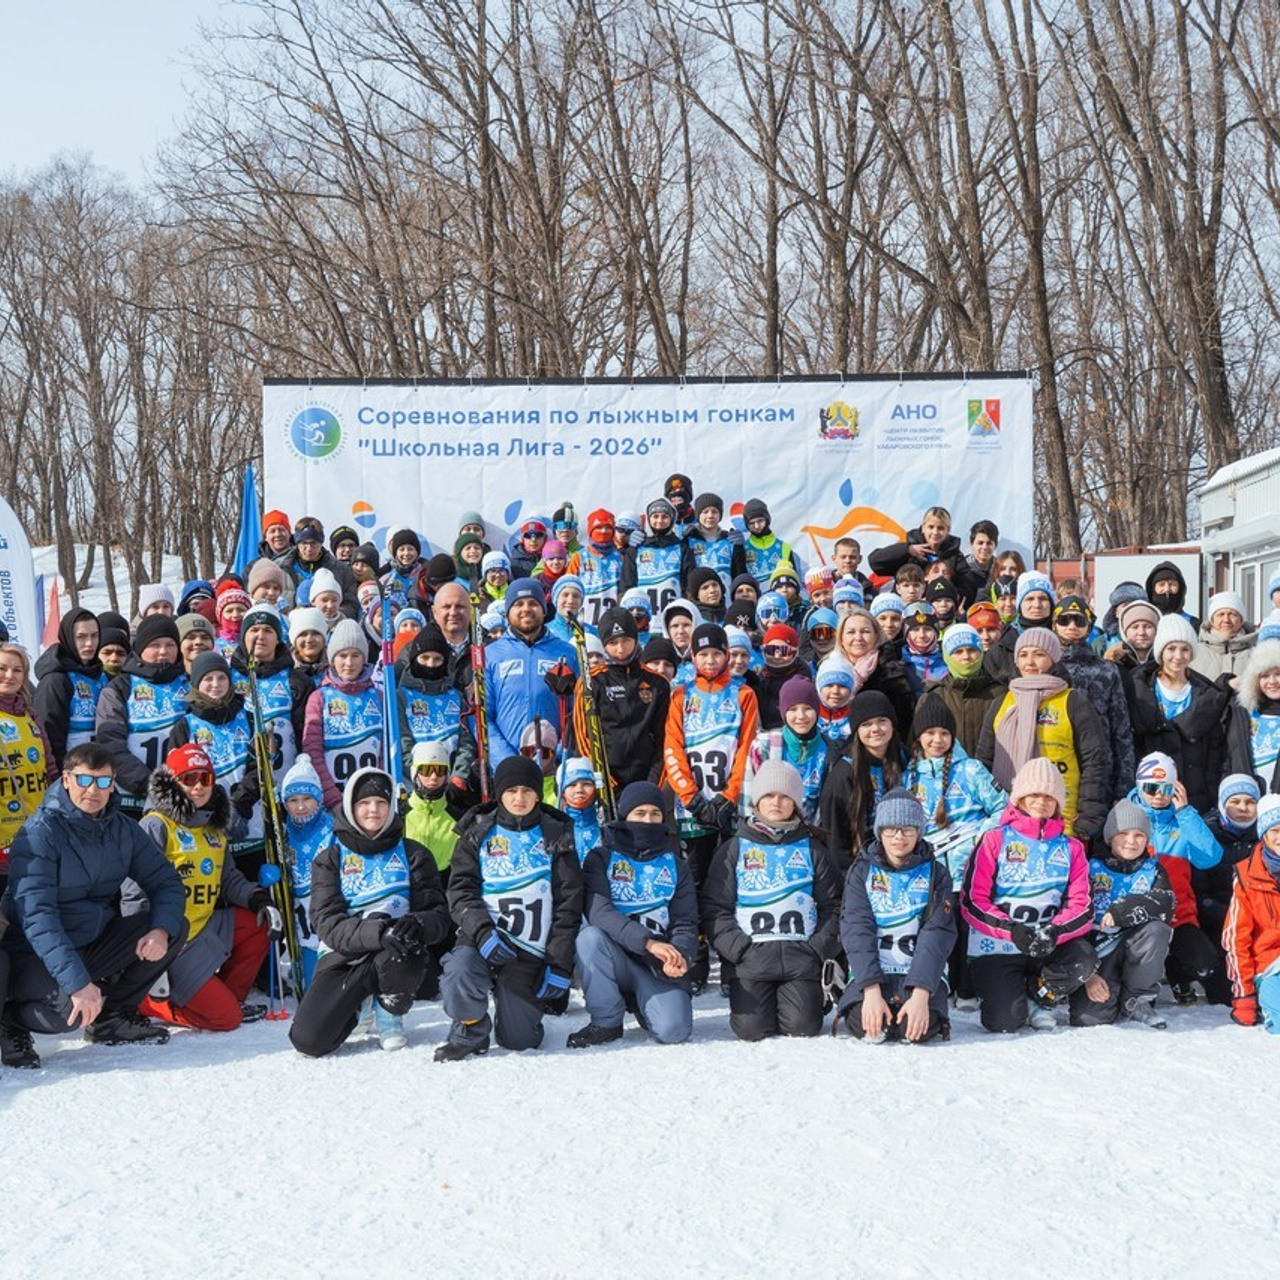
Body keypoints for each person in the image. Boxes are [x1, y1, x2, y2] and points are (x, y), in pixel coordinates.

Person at [0, 743, 186, 1068]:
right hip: (32, 954)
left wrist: (159, 929)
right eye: (85, 780)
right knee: (68, 1016)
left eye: (102, 782)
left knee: (172, 927)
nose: (93, 791)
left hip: (90, 940)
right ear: (67, 780)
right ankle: (8, 1021)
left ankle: (112, 1018)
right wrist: (78, 984)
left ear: (113, 784)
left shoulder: (123, 830)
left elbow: (166, 881)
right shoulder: (39, 835)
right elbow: (37, 918)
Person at [290, 767, 450, 1055]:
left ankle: (389, 1013)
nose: (373, 810)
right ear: (351, 807)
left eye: (381, 802)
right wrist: (378, 932)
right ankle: (359, 1005)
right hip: (345, 955)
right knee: (308, 1040)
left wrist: (417, 924)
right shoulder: (330, 858)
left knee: (401, 944)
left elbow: (438, 916)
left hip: (397, 954)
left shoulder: (413, 854)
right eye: (364, 803)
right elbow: (327, 922)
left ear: (391, 807)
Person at [435, 755, 582, 1061]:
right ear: (499, 793)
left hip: (530, 948)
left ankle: (522, 1012)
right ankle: (471, 1029)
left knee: (519, 1041)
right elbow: (461, 891)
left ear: (538, 794)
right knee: (458, 972)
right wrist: (482, 931)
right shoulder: (478, 832)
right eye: (511, 790)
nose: (519, 798)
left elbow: (568, 906)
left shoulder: (555, 835)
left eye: (527, 791)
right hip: (483, 940)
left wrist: (559, 964)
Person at [131, 744, 276, 1031]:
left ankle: (227, 996)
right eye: (188, 779)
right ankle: (149, 1003)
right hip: (172, 940)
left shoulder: (213, 826)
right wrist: (147, 943)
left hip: (204, 926)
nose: (198, 787)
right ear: (172, 782)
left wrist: (257, 898)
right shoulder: (156, 825)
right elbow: (134, 891)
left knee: (255, 923)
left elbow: (229, 879)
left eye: (205, 779)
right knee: (226, 1020)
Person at [703, 760, 841, 1041]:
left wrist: (817, 949)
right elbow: (715, 908)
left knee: (803, 1027)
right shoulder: (734, 848)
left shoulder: (813, 849)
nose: (776, 803)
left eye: (784, 796)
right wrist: (739, 950)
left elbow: (835, 905)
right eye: (768, 795)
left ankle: (808, 997)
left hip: (801, 957)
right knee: (750, 1030)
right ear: (756, 801)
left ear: (795, 804)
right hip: (752, 957)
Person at [961, 758, 1101, 1032]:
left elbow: (1082, 906)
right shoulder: (994, 839)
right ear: (1019, 798)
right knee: (1003, 1022)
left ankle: (1040, 997)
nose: (1041, 801)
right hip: (1000, 944)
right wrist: (1010, 930)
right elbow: (972, 901)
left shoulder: (1071, 847)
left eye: (1049, 796)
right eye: (1034, 794)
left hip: (1047, 942)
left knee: (1084, 959)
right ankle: (1013, 996)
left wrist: (1054, 932)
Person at [662, 623, 759, 986]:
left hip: (728, 803)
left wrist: (728, 797)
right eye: (703, 654)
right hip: (693, 806)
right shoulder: (681, 695)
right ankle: (697, 951)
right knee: (696, 878)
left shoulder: (743, 694)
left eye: (717, 653)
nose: (710, 659)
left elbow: (748, 748)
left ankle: (733, 956)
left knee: (733, 880)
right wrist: (691, 797)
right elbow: (673, 748)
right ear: (693, 656)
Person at [569, 781, 697, 1048]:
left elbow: (685, 921)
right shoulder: (601, 857)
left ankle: (643, 1002)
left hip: (655, 964)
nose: (648, 820)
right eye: (639, 813)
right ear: (625, 816)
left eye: (655, 814)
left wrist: (680, 954)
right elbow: (599, 912)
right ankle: (606, 1022)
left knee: (674, 1031)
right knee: (589, 938)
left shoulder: (676, 864)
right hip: (615, 955)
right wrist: (649, 942)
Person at [837, 789, 957, 1043]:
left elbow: (936, 934)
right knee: (866, 1023)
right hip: (873, 971)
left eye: (908, 829)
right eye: (891, 829)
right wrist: (870, 989)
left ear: (919, 832)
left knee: (916, 1029)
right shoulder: (861, 871)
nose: (899, 837)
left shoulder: (937, 873)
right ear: (880, 831)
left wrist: (921, 994)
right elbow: (856, 929)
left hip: (918, 972)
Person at [977, 627, 1110, 840]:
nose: (1029, 662)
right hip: (1008, 823)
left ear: (1054, 659)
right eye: (1023, 655)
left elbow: (1095, 761)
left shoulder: (1073, 701)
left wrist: (1089, 815)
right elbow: (983, 763)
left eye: (1039, 654)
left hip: (1064, 822)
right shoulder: (1001, 703)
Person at [1069, 799, 1175, 1028]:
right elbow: (1071, 917)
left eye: (1139, 835)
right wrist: (1087, 974)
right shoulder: (1089, 867)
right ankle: (1110, 989)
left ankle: (1137, 999)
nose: (1131, 841)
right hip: (1097, 948)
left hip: (1135, 943)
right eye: (1123, 833)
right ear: (1110, 836)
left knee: (1157, 930)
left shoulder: (1153, 869)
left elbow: (1166, 903)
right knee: (1090, 1018)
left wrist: (1124, 909)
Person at [1128, 752, 1224, 1005]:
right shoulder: (1126, 817)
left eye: (1166, 787)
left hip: (1179, 915)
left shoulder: (1184, 820)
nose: (1159, 794)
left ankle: (1178, 976)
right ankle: (1135, 985)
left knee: (1203, 962)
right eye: (1151, 787)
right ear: (1139, 786)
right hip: (1138, 919)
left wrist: (1185, 812)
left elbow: (1210, 857)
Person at [1126, 614, 1230, 814]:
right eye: (1171, 649)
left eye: (1185, 649)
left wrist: (1210, 791)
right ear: (1161, 652)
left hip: (1194, 793)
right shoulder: (1139, 689)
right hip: (1151, 793)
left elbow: (1215, 749)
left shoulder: (1205, 692)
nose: (1178, 656)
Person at [903, 698, 1005, 893]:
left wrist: (981, 837)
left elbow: (1002, 807)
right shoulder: (908, 778)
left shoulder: (971, 769)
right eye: (930, 733)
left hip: (974, 874)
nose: (938, 740)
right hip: (930, 879)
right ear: (919, 736)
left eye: (944, 733)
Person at [94, 616, 191, 818]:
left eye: (170, 645)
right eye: (155, 645)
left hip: (184, 794)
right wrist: (151, 785)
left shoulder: (190, 684)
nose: (163, 651)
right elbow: (110, 744)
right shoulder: (121, 687)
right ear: (139, 648)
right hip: (130, 799)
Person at [482, 578, 578, 767]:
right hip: (508, 767)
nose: (526, 609)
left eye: (533, 603)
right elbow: (483, 716)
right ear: (508, 612)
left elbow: (577, 711)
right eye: (518, 604)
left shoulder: (567, 653)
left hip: (556, 764)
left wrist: (557, 754)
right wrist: (505, 761)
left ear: (543, 609)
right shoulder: (491, 655)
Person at [574, 608, 671, 791]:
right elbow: (585, 739)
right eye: (613, 642)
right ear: (604, 644)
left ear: (635, 638)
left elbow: (664, 739)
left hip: (647, 781)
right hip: (608, 785)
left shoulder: (657, 683)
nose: (620, 648)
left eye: (626, 640)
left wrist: (652, 785)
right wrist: (608, 785)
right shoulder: (591, 681)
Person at [1052, 595, 1135, 801]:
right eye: (1064, 620)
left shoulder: (1106, 670)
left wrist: (1124, 789)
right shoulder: (1047, 667)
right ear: (1054, 625)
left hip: (1099, 770)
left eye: (1079, 620)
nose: (1072, 626)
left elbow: (1121, 731)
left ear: (1089, 626)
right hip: (1055, 766)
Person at [819, 690, 908, 872]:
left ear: (892, 725)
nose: (875, 729)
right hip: (861, 868)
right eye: (866, 724)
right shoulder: (843, 773)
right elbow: (835, 838)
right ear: (857, 731)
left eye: (882, 721)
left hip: (906, 860)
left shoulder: (907, 760)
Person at [302, 618, 386, 811]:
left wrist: (376, 793)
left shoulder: (379, 696)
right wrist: (333, 798)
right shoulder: (319, 698)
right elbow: (313, 751)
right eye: (342, 655)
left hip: (372, 800)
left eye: (355, 655)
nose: (349, 663)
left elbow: (385, 750)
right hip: (333, 799)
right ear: (332, 659)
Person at [1222, 794, 1280, 1031]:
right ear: (1264, 835)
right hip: (1269, 966)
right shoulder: (1248, 876)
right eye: (1275, 830)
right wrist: (1243, 997)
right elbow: (1236, 940)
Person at [397, 624, 477, 795]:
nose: (431, 664)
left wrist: (458, 775)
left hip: (451, 786)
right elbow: (402, 743)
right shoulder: (402, 696)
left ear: (445, 662)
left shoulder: (455, 697)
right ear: (414, 659)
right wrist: (420, 776)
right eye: (424, 658)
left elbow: (466, 741)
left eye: (437, 659)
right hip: (416, 784)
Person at [278, 753, 334, 988]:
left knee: (328, 984)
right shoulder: (282, 832)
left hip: (328, 913)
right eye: (293, 800)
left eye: (307, 799)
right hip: (302, 920)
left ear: (319, 800)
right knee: (311, 987)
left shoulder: (332, 828)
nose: (300, 807)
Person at [746, 676, 830, 823]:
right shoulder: (764, 746)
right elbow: (748, 796)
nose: (801, 716)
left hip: (812, 834)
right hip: (768, 830)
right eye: (793, 709)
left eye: (808, 709)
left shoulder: (829, 748)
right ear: (784, 712)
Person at [32, 607, 108, 771]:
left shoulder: (101, 675)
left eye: (94, 636)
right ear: (68, 637)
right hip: (70, 775)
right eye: (81, 637)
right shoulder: (56, 679)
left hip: (98, 771)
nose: (89, 643)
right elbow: (49, 737)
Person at [921, 621, 1006, 756]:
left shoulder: (1000, 694)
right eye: (958, 651)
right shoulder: (933, 696)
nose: (966, 657)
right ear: (946, 656)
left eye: (972, 650)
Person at [835, 607, 914, 735]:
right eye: (851, 632)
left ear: (876, 635)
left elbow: (905, 720)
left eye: (865, 631)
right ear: (841, 638)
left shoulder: (891, 672)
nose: (858, 637)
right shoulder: (830, 670)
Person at [1227, 638, 1280, 792]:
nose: (1272, 681)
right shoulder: (1242, 711)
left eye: (1278, 674)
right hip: (1246, 803)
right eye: (1264, 676)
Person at [276, 523, 359, 617]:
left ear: (321, 543)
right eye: (304, 543)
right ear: (297, 543)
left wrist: (333, 616)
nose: (309, 548)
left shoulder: (342, 570)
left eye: (313, 543)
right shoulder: (280, 568)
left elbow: (351, 604)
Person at [566, 509, 624, 631]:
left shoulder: (619, 557)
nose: (603, 531)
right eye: (599, 527)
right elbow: (568, 588)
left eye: (608, 528)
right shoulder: (579, 557)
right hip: (585, 624)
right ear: (590, 530)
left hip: (613, 624)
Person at [868, 506, 962, 580]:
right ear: (923, 528)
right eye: (931, 527)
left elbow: (967, 584)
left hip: (941, 603)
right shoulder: (908, 552)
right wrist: (908, 550)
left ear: (948, 530)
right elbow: (875, 563)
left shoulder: (954, 555)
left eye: (940, 528)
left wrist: (951, 597)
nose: (935, 532)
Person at [685, 493, 746, 593]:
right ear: (698, 515)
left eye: (714, 511)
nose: (710, 515)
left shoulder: (731, 540)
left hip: (726, 603)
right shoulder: (689, 541)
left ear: (720, 515)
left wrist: (740, 547)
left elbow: (740, 576)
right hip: (699, 603)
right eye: (705, 512)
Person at [1192, 590, 1256, 684]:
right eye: (1221, 614)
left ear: (1241, 620)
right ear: (1212, 620)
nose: (1226, 620)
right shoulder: (1195, 653)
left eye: (1232, 615)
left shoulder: (1256, 652)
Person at [741, 498, 798, 587]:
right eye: (752, 523)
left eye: (760, 521)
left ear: (767, 519)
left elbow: (794, 582)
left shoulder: (784, 547)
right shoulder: (743, 548)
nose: (756, 526)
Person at [954, 520, 999, 607]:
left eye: (989, 543)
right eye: (980, 543)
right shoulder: (960, 567)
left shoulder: (1001, 568)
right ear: (971, 544)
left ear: (995, 545)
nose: (984, 547)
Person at [1146, 561, 1200, 631]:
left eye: (1172, 584)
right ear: (1153, 589)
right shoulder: (1146, 621)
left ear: (1180, 588)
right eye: (1161, 585)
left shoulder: (1193, 624)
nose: (1167, 589)